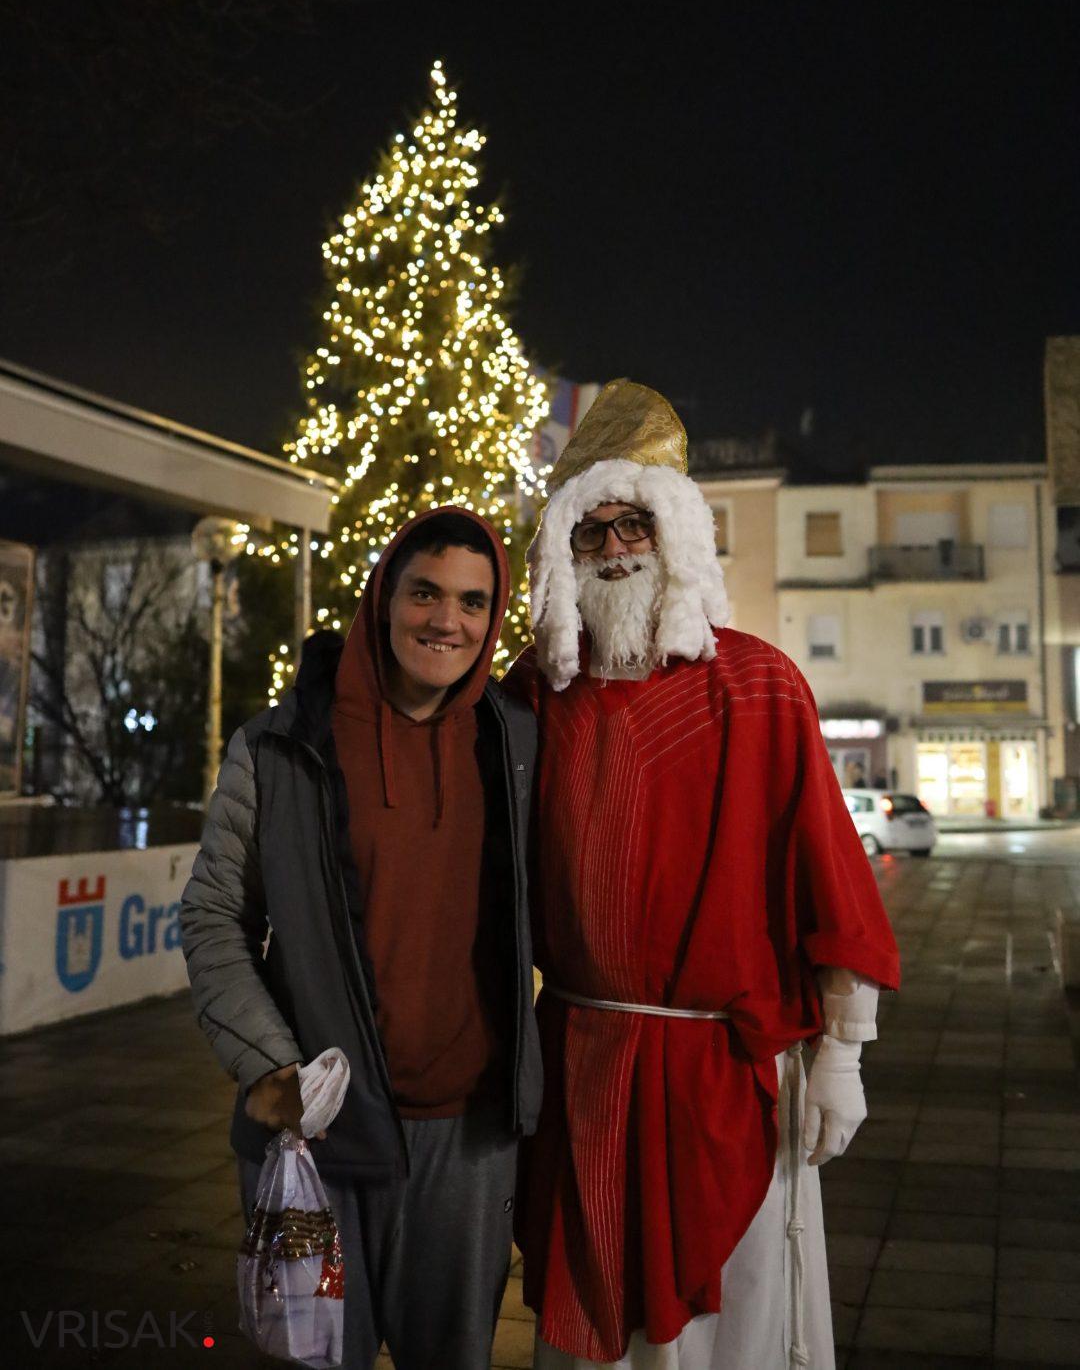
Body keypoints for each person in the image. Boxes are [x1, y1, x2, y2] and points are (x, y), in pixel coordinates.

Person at [505, 381, 900, 1370]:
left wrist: (844, 1053)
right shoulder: (532, 697)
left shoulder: (760, 684)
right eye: (588, 533)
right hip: (583, 1071)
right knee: (594, 1323)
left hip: (725, 1080)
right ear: (561, 550)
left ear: (674, 534)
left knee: (737, 1332)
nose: (613, 549)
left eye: (633, 523)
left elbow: (828, 876)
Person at [181, 507, 541, 1370]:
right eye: (424, 592)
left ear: (494, 621)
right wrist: (269, 1068)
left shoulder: (516, 741)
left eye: (472, 601)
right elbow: (213, 914)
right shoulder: (279, 744)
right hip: (318, 1135)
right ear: (384, 597)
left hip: (470, 1136)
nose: (445, 621)